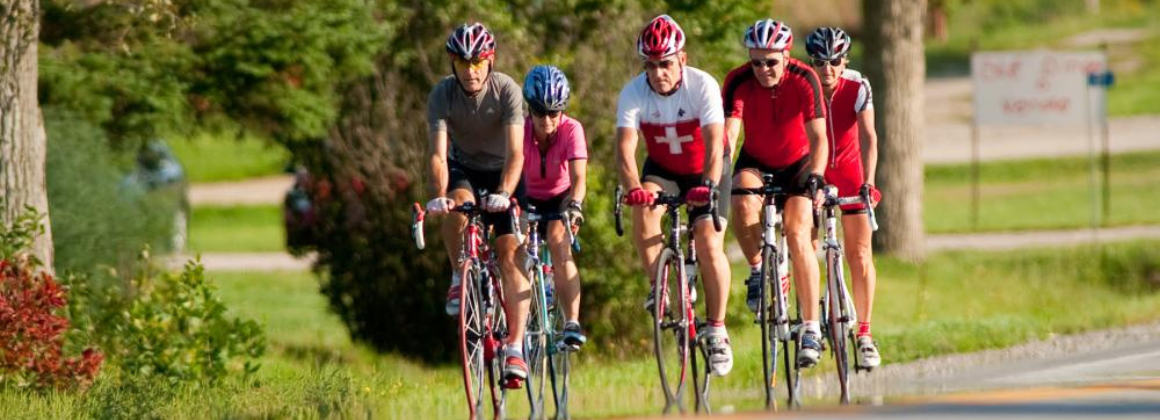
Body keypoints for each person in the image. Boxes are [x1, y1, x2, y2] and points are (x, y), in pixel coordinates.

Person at [615, 14, 734, 376]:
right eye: (650, 65)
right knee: (645, 207)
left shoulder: (702, 86)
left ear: (682, 58)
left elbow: (715, 146)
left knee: (708, 240)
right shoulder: (633, 92)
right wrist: (634, 188)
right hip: (664, 168)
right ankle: (660, 285)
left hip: (706, 168)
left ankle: (717, 330)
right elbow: (625, 151)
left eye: (665, 63)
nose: (657, 72)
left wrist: (709, 185)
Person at [424, 22, 530, 383]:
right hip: (464, 167)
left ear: (490, 60)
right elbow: (438, 156)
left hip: (505, 172)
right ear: (453, 63)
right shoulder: (443, 94)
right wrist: (439, 197)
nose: (471, 71)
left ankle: (515, 348)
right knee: (457, 203)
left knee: (509, 253)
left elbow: (517, 153)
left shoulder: (507, 90)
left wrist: (504, 192)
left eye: (478, 62)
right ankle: (459, 273)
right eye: (463, 63)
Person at [721, 19, 830, 368]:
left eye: (771, 62)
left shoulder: (804, 78)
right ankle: (759, 270)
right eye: (756, 62)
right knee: (739, 197)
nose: (763, 69)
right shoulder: (737, 81)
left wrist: (816, 174)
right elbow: (729, 133)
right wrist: (718, 173)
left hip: (798, 162)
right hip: (756, 159)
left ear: (785, 55)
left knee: (798, 234)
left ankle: (811, 327)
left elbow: (819, 139)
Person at [805, 26, 883, 368]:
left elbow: (868, 136)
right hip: (813, 174)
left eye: (834, 61)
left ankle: (864, 334)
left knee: (860, 252)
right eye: (820, 62)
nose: (827, 69)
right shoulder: (802, 86)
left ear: (844, 60)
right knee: (802, 246)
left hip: (851, 175)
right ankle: (807, 323)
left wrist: (869, 182)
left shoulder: (857, 85)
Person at [520, 65, 589, 351]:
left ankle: (571, 323)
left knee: (560, 244)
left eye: (554, 112)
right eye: (539, 112)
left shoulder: (572, 130)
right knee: (516, 245)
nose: (547, 120)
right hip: (527, 195)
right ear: (529, 109)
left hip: (561, 196)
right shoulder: (519, 131)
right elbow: (509, 171)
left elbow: (580, 178)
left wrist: (575, 205)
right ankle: (518, 319)